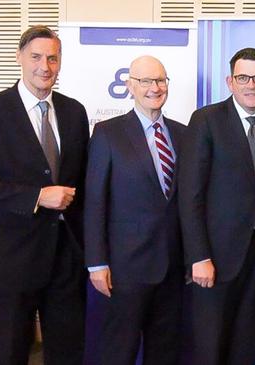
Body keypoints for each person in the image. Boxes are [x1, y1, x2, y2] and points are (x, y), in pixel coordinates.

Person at [0, 25, 88, 364]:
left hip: (66, 263)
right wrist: (36, 197)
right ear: (20, 58)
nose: (45, 66)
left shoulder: (74, 112)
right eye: (36, 57)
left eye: (53, 58)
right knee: (7, 354)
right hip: (10, 262)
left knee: (67, 354)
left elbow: (83, 182)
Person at [179, 47, 255, 365]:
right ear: (230, 81)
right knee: (209, 348)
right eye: (243, 77)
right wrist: (199, 256)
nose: (251, 84)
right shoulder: (207, 120)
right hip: (213, 260)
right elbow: (190, 194)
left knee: (245, 346)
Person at [83, 56, 185, 364]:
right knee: (119, 351)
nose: (154, 88)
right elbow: (95, 201)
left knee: (165, 352)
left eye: (161, 80)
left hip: (172, 268)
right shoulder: (108, 133)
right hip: (125, 270)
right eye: (145, 81)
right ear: (129, 85)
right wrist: (97, 263)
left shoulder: (183, 133)